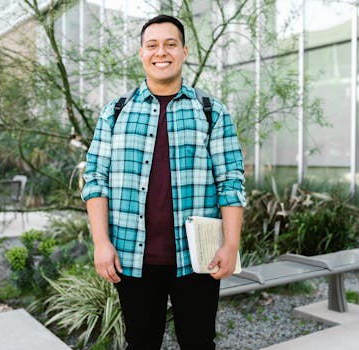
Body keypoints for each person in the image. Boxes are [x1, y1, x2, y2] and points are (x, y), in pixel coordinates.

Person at [82, 14, 246, 350]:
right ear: (141, 53)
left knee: (199, 343)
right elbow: (95, 179)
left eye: (170, 44)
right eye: (152, 45)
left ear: (184, 52)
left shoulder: (211, 111)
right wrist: (101, 243)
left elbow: (231, 180)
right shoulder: (115, 113)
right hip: (131, 257)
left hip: (198, 259)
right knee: (141, 343)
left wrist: (230, 245)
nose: (162, 52)